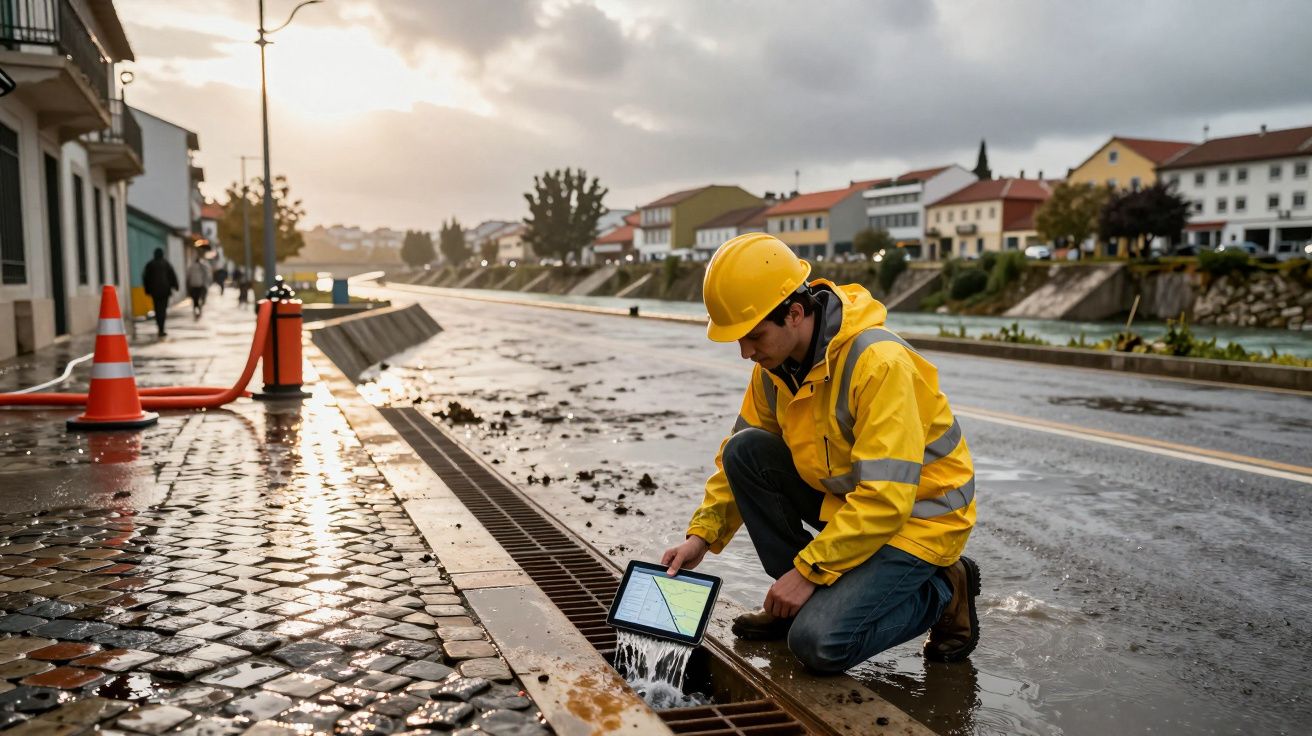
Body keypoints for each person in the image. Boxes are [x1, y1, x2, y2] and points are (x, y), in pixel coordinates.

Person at [661, 233, 980, 674]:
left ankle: (944, 589)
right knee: (744, 451)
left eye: (753, 336)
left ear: (795, 313)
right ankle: (795, 603)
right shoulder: (773, 369)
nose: (745, 352)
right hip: (853, 504)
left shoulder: (878, 363)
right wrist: (701, 536)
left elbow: (887, 498)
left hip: (919, 521)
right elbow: (736, 462)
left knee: (817, 644)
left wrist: (809, 571)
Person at [141, 248, 179, 338]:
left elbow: (145, 278)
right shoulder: (166, 264)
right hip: (165, 291)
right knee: (163, 309)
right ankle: (162, 328)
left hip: (155, 291)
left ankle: (160, 328)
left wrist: (147, 290)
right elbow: (172, 276)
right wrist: (176, 286)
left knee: (157, 309)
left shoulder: (150, 265)